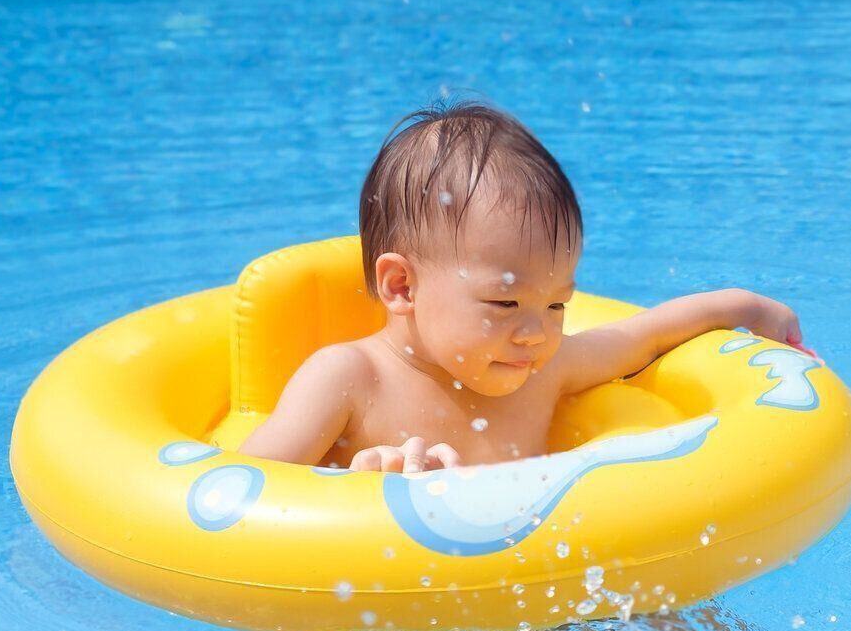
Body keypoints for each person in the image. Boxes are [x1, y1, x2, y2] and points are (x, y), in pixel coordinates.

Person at [240, 100, 802, 471]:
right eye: (504, 302)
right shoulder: (348, 380)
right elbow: (241, 494)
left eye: (558, 304)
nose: (537, 333)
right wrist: (357, 491)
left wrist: (741, 305)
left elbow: (644, 337)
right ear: (401, 286)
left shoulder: (543, 370)